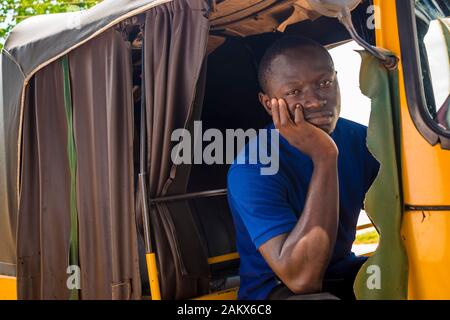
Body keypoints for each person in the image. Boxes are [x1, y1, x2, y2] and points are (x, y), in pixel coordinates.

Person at [227, 35, 380, 300]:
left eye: (324, 83)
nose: (314, 100)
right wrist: (324, 157)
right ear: (268, 103)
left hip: (343, 273)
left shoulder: (363, 141)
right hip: (276, 289)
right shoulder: (253, 167)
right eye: (294, 92)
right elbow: (302, 279)